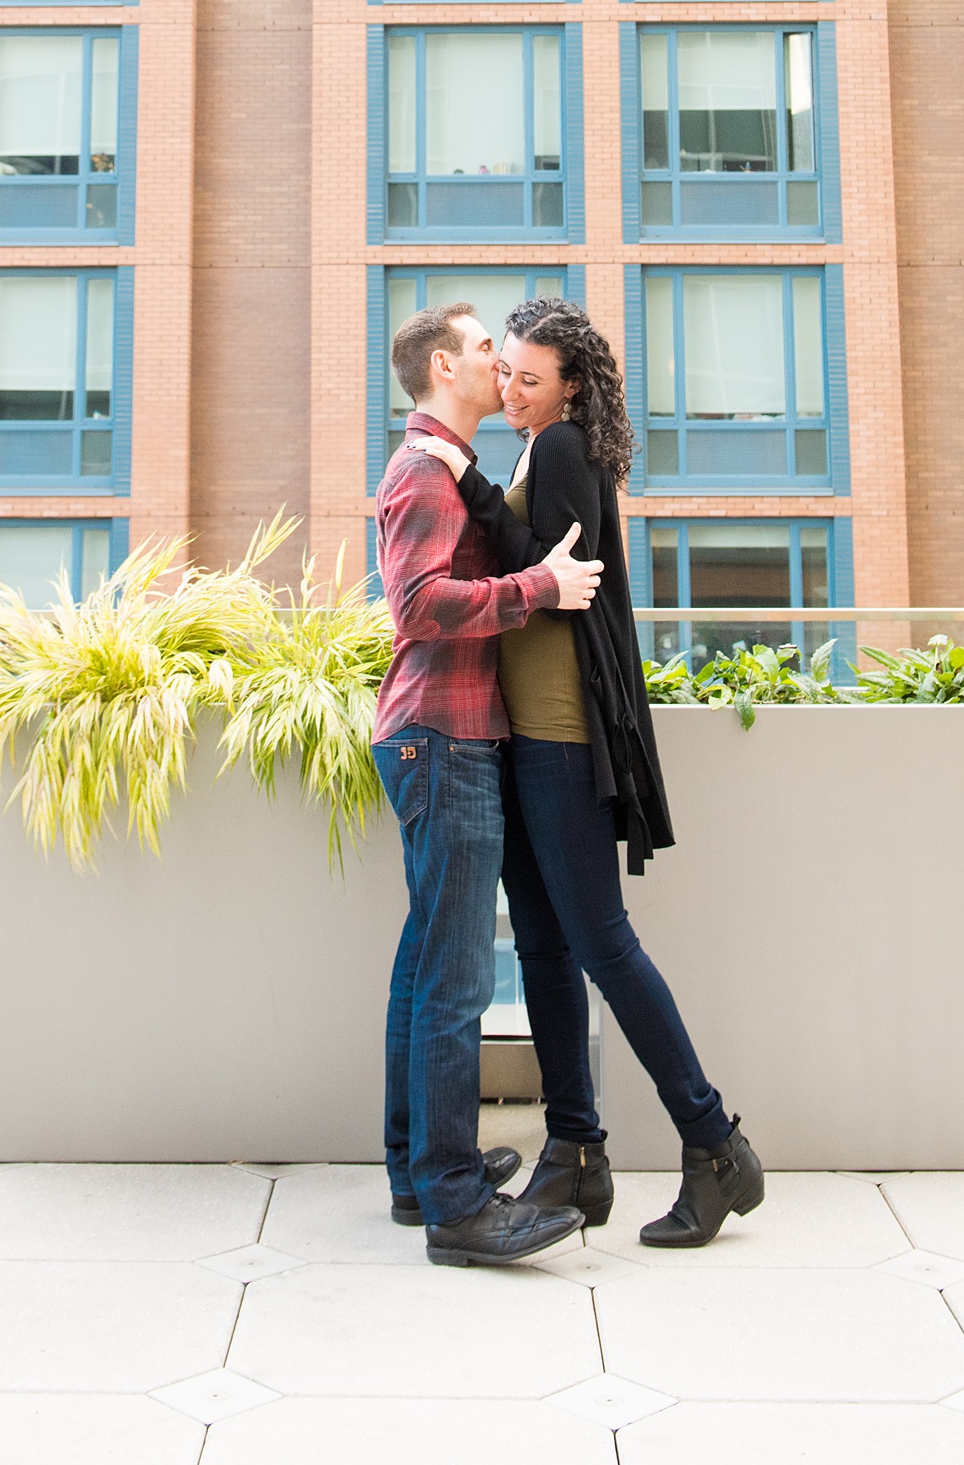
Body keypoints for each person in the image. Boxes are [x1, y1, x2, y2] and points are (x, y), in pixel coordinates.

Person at [410, 296, 766, 1251]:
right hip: (521, 732)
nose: (516, 388)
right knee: (540, 946)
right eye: (509, 372)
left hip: (563, 732)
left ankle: (714, 1141)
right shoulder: (538, 449)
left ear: (570, 383)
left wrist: (468, 480)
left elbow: (554, 575)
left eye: (533, 377)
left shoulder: (563, 448)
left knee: (600, 941)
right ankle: (575, 1145)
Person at [372, 297, 606, 1269]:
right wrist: (538, 591)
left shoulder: (447, 468)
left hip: (441, 736)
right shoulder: (424, 472)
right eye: (480, 352)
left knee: (427, 964)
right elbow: (420, 605)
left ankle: (417, 1173)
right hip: (445, 738)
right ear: (439, 370)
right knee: (456, 979)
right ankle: (458, 1208)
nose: (497, 366)